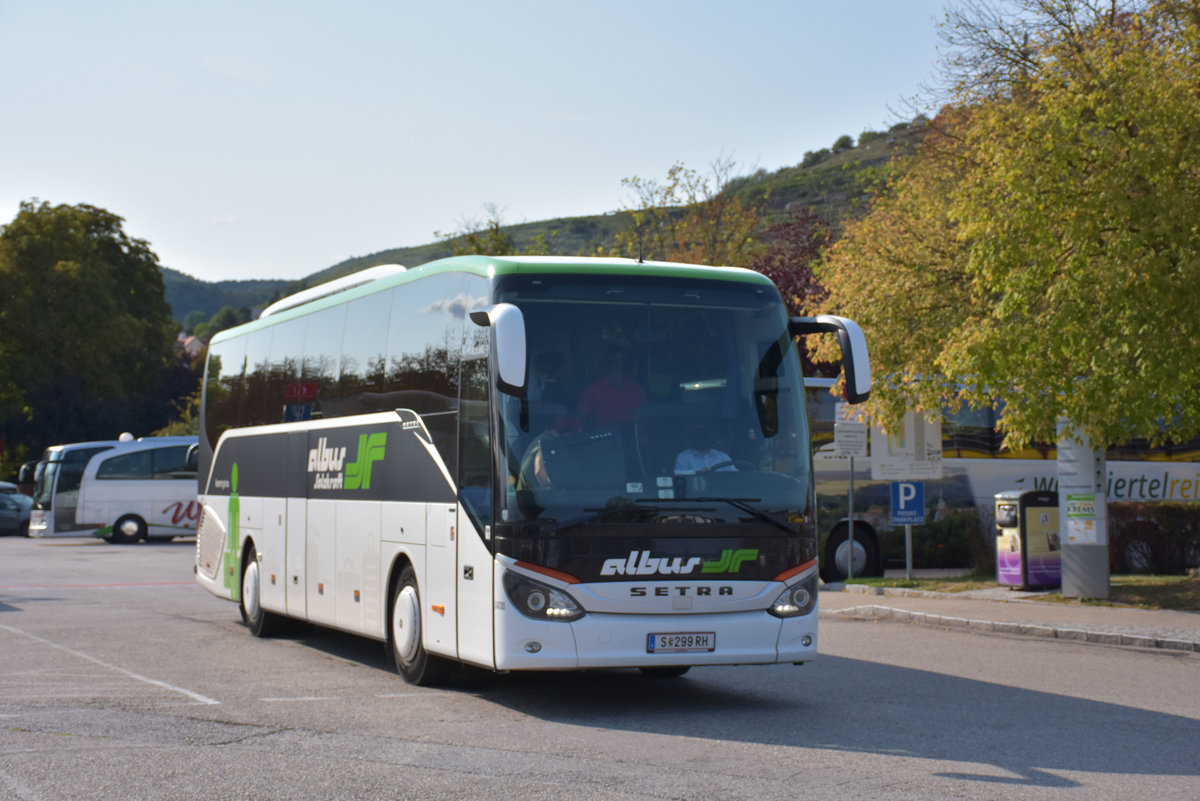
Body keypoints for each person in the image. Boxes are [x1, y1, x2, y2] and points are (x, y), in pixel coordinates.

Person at [577, 346, 647, 426]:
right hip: (607, 436)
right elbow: (580, 417)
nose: (618, 363)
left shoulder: (637, 389)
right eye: (614, 360)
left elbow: (647, 418)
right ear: (606, 363)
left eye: (623, 360)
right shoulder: (593, 390)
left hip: (634, 435)